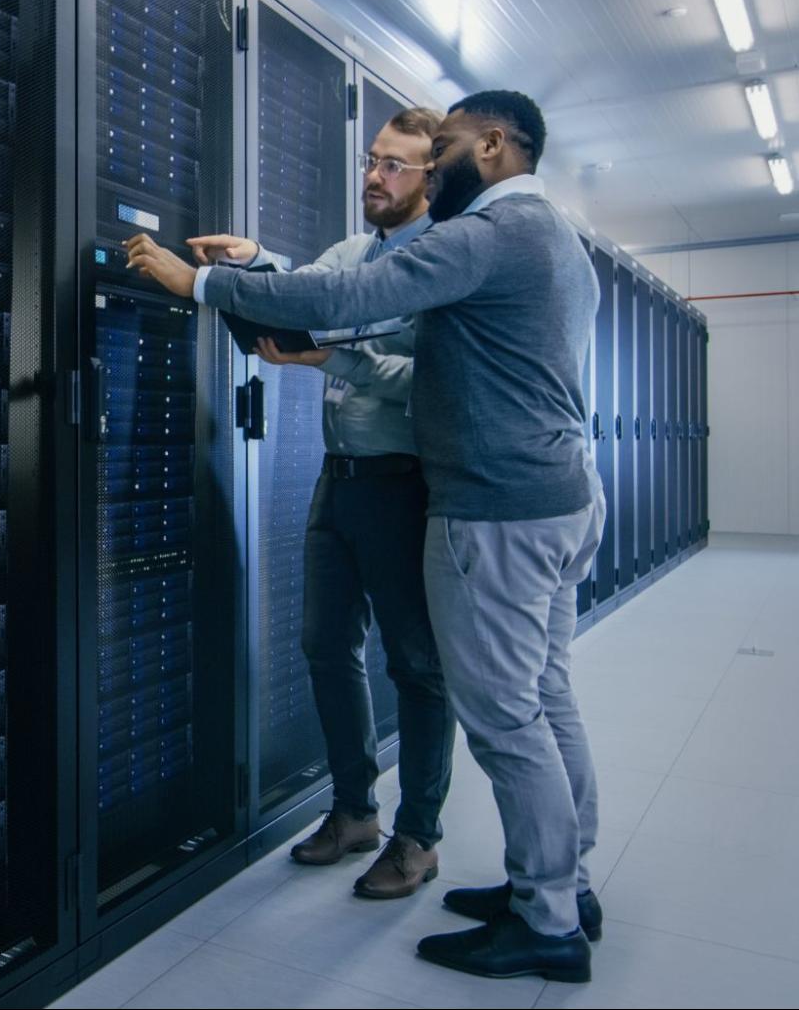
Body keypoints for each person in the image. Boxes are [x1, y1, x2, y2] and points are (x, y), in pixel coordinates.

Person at [123, 90, 605, 984]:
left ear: (488, 146)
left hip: (495, 502)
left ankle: (542, 914)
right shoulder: (556, 237)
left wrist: (202, 285)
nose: (395, 173)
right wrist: (265, 266)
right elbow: (345, 275)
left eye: (436, 150)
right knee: (543, 694)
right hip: (554, 492)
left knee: (503, 714)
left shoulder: (485, 234)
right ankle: (561, 886)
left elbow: (356, 296)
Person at [185, 108, 455, 901]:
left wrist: (337, 356)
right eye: (371, 160)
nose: (373, 176)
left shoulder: (442, 261)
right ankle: (353, 810)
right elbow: (319, 284)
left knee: (414, 664)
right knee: (323, 644)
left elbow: (435, 382)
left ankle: (418, 836)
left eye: (394, 166)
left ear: (430, 179)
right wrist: (257, 260)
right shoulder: (359, 251)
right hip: (338, 480)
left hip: (402, 481)